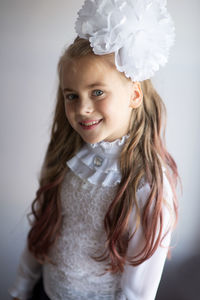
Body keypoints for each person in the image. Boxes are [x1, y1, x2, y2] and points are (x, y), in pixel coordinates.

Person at [10, 0, 179, 299]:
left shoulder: (148, 182)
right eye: (71, 95)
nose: (82, 108)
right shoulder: (70, 155)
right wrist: (20, 288)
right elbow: (45, 229)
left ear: (134, 94)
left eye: (97, 92)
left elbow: (138, 291)